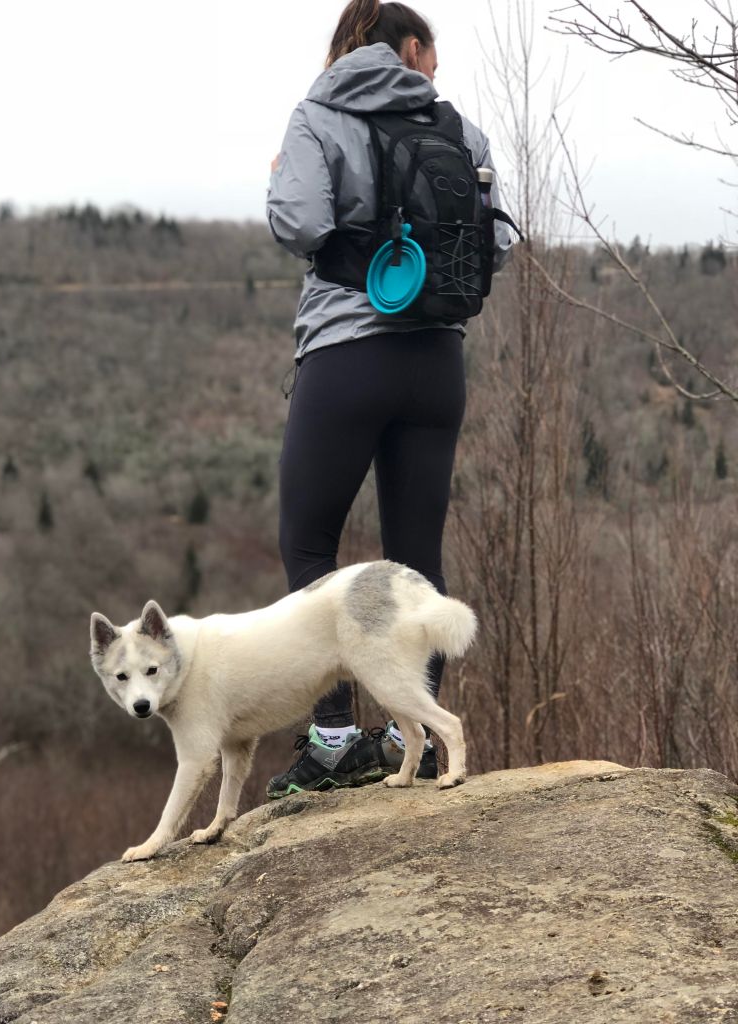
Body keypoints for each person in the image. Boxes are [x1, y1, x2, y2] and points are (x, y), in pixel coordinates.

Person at [264, 0, 512, 798]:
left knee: (311, 549)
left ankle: (334, 739)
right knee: (416, 562)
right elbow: (498, 241)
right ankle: (425, 741)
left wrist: (284, 186)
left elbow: (297, 220)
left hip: (346, 358)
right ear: (409, 47)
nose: (434, 75)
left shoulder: (318, 111)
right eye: (431, 57)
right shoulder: (457, 127)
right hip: (437, 363)